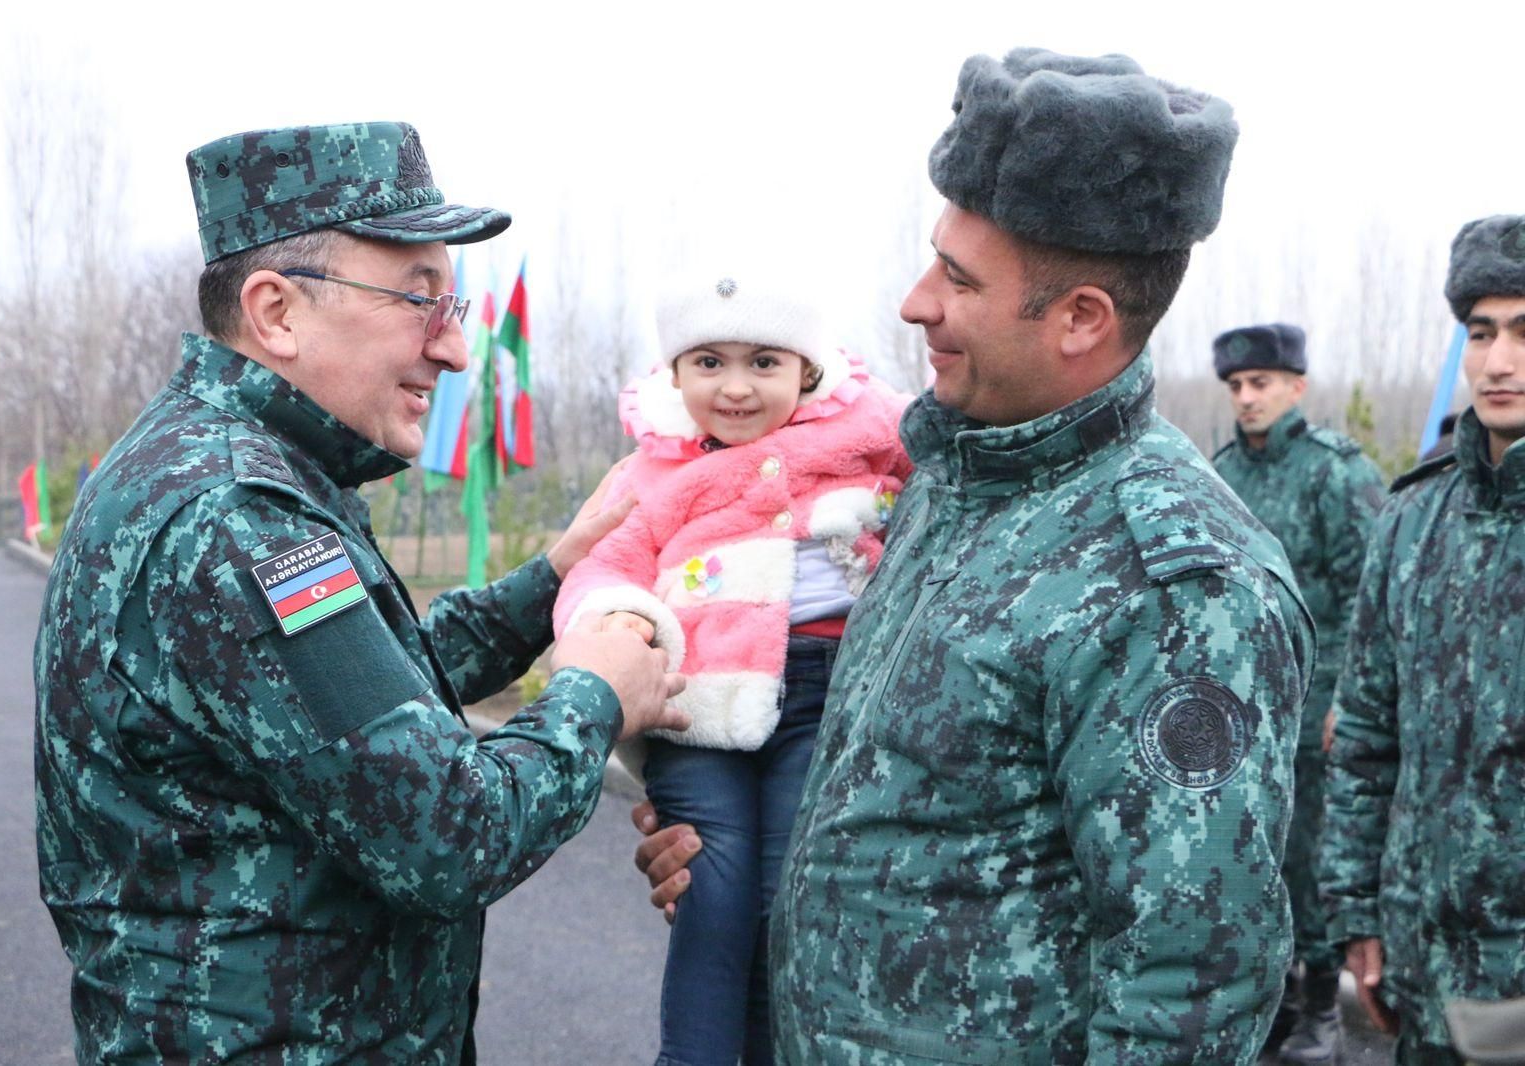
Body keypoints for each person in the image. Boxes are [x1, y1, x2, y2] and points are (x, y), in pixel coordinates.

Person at [638, 48, 1316, 1063]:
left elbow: (1185, 988)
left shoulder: (1173, 583)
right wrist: (739, 859)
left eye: (958, 279)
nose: (915, 302)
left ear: (1080, 318)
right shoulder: (953, 480)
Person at [33, 121, 686, 1065]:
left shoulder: (219, 463)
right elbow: (448, 834)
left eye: (451, 302)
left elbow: (340, 707)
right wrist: (594, 692)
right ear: (278, 313)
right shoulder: (238, 515)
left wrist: (549, 582)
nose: (455, 349)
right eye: (418, 299)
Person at [555, 269, 910, 1065]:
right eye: (708, 362)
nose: (737, 388)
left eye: (764, 362)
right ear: (674, 374)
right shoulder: (651, 472)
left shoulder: (869, 433)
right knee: (711, 889)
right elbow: (600, 567)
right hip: (697, 701)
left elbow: (940, 474)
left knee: (786, 897)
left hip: (821, 696)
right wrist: (621, 619)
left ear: (808, 371)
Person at [1321, 213, 1525, 1066]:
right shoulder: (1412, 517)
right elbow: (1366, 736)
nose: (1499, 361)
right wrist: (1356, 914)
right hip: (1422, 958)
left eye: (1524, 333)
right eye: (1481, 333)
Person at [1210, 322, 1386, 1063]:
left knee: (1312, 853)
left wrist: (1349, 694)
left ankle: (1322, 1004)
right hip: (1242, 703)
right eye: (1237, 387)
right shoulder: (1221, 473)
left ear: (1295, 387)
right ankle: (1275, 997)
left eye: (1260, 384)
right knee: (1252, 853)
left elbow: (1371, 595)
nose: (1247, 399)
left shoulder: (1335, 473)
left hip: (1319, 701)